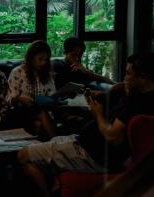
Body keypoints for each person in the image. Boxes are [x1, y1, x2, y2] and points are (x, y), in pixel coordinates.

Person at [17, 53, 154, 197]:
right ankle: (56, 184)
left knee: (23, 155)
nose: (125, 78)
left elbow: (113, 137)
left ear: (143, 77)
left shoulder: (138, 103)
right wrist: (117, 88)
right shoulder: (139, 94)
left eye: (128, 74)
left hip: (91, 155)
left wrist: (98, 114)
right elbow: (118, 90)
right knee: (53, 140)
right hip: (85, 145)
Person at [6, 40, 56, 138]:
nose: (43, 63)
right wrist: (20, 98)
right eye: (40, 59)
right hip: (20, 111)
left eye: (46, 60)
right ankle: (56, 141)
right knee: (41, 114)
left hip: (41, 110)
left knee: (39, 123)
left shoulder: (47, 75)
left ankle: (48, 146)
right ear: (31, 57)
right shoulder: (18, 72)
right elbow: (8, 97)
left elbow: (52, 94)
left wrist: (57, 98)